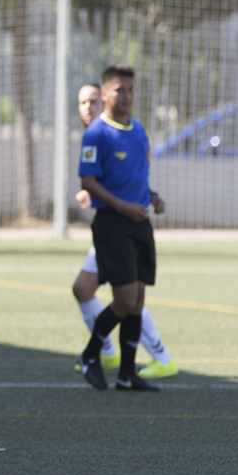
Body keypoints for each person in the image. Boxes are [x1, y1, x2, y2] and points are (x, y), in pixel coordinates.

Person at [71, 83, 177, 380]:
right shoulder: (95, 137)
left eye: (93, 100)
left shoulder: (121, 134)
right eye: (82, 103)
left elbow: (130, 181)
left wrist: (151, 197)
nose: (88, 108)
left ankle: (158, 356)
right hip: (110, 229)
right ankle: (107, 355)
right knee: (85, 289)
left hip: (122, 229)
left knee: (129, 297)